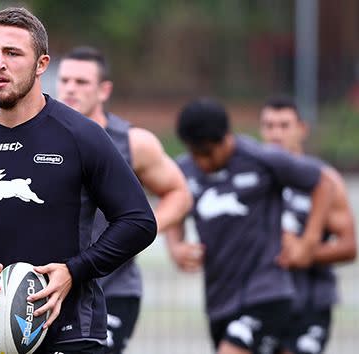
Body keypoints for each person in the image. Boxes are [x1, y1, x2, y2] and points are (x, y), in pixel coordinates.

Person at [0, 7, 157, 354]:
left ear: (42, 64)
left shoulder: (82, 135)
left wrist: (75, 271)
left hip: (75, 334)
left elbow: (138, 221)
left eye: (12, 53)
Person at [165, 98, 335, 354]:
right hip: (220, 299)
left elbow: (323, 183)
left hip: (266, 293)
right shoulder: (184, 169)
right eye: (195, 154)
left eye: (208, 153)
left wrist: (309, 242)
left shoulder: (261, 158)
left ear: (226, 138)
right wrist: (175, 246)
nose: (202, 162)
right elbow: (172, 199)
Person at [56, 46, 192, 353]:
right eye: (65, 81)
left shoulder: (132, 142)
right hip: (57, 288)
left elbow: (179, 193)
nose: (70, 89)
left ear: (104, 90)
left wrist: (136, 231)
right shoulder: (44, 136)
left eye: (81, 82)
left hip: (113, 290)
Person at [259, 96, 356, 354]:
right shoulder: (251, 177)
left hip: (310, 302)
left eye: (284, 125)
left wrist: (305, 252)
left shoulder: (325, 180)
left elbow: (349, 246)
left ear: (302, 129)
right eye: (269, 126)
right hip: (259, 299)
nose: (276, 133)